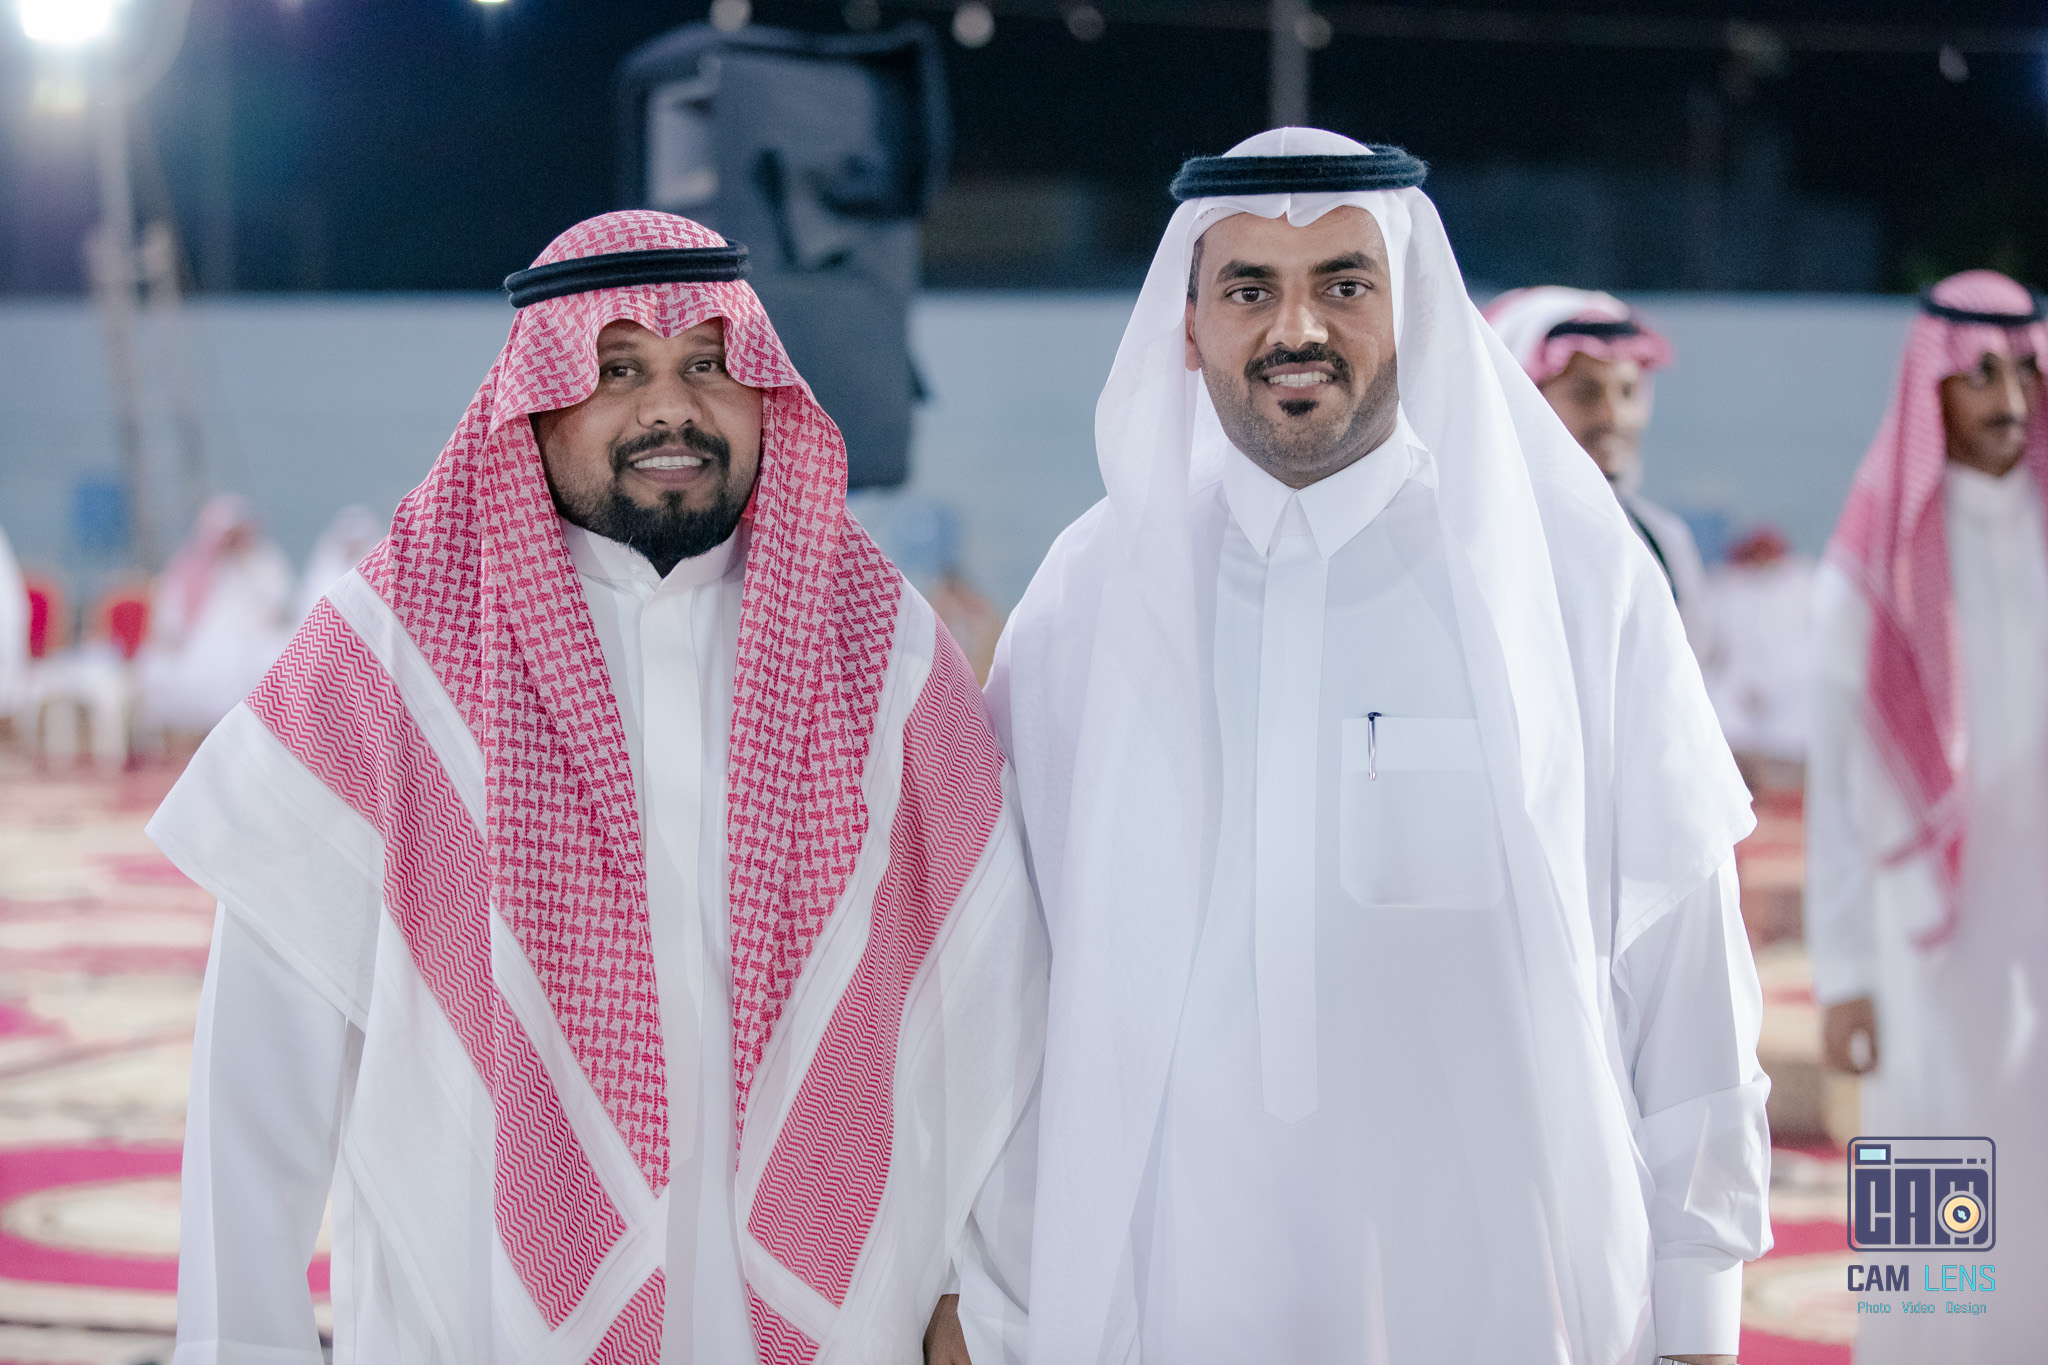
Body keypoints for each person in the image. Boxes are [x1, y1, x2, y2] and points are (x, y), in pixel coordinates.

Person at [148, 211, 1045, 1364]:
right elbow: (257, 1086)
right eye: (616, 370)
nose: (670, 408)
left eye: (707, 367)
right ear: (533, 404)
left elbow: (994, 1002)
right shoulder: (389, 662)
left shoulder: (883, 654)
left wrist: (986, 1299)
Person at [984, 128, 1768, 1365]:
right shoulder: (1086, 600)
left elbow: (1680, 957)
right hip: (1175, 1284)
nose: (1295, 329)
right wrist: (991, 1288)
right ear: (1186, 328)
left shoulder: (1563, 576)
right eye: (1249, 290)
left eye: (1344, 284)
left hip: (1502, 1287)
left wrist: (1698, 1310)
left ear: (1416, 313)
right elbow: (1003, 977)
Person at [1806, 270, 2047, 1365]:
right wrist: (1843, 971)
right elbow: (1835, 793)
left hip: (2038, 929)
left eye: (2025, 371)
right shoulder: (1872, 570)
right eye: (1981, 374)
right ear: (1930, 388)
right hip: (1922, 940)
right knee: (1930, 1170)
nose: (2010, 399)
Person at [1486, 286, 1716, 656]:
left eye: (1627, 392)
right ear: (1521, 401)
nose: (1613, 417)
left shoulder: (1663, 540)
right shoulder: (1480, 534)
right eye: (1585, 394)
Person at [136, 493, 292, 734]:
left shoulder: (263, 561)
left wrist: (244, 562)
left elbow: (277, 603)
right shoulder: (191, 567)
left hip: (256, 637)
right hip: (201, 641)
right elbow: (172, 613)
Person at [293, 503, 387, 623]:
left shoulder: (379, 575)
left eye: (359, 544)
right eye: (351, 545)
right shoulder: (325, 576)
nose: (354, 549)